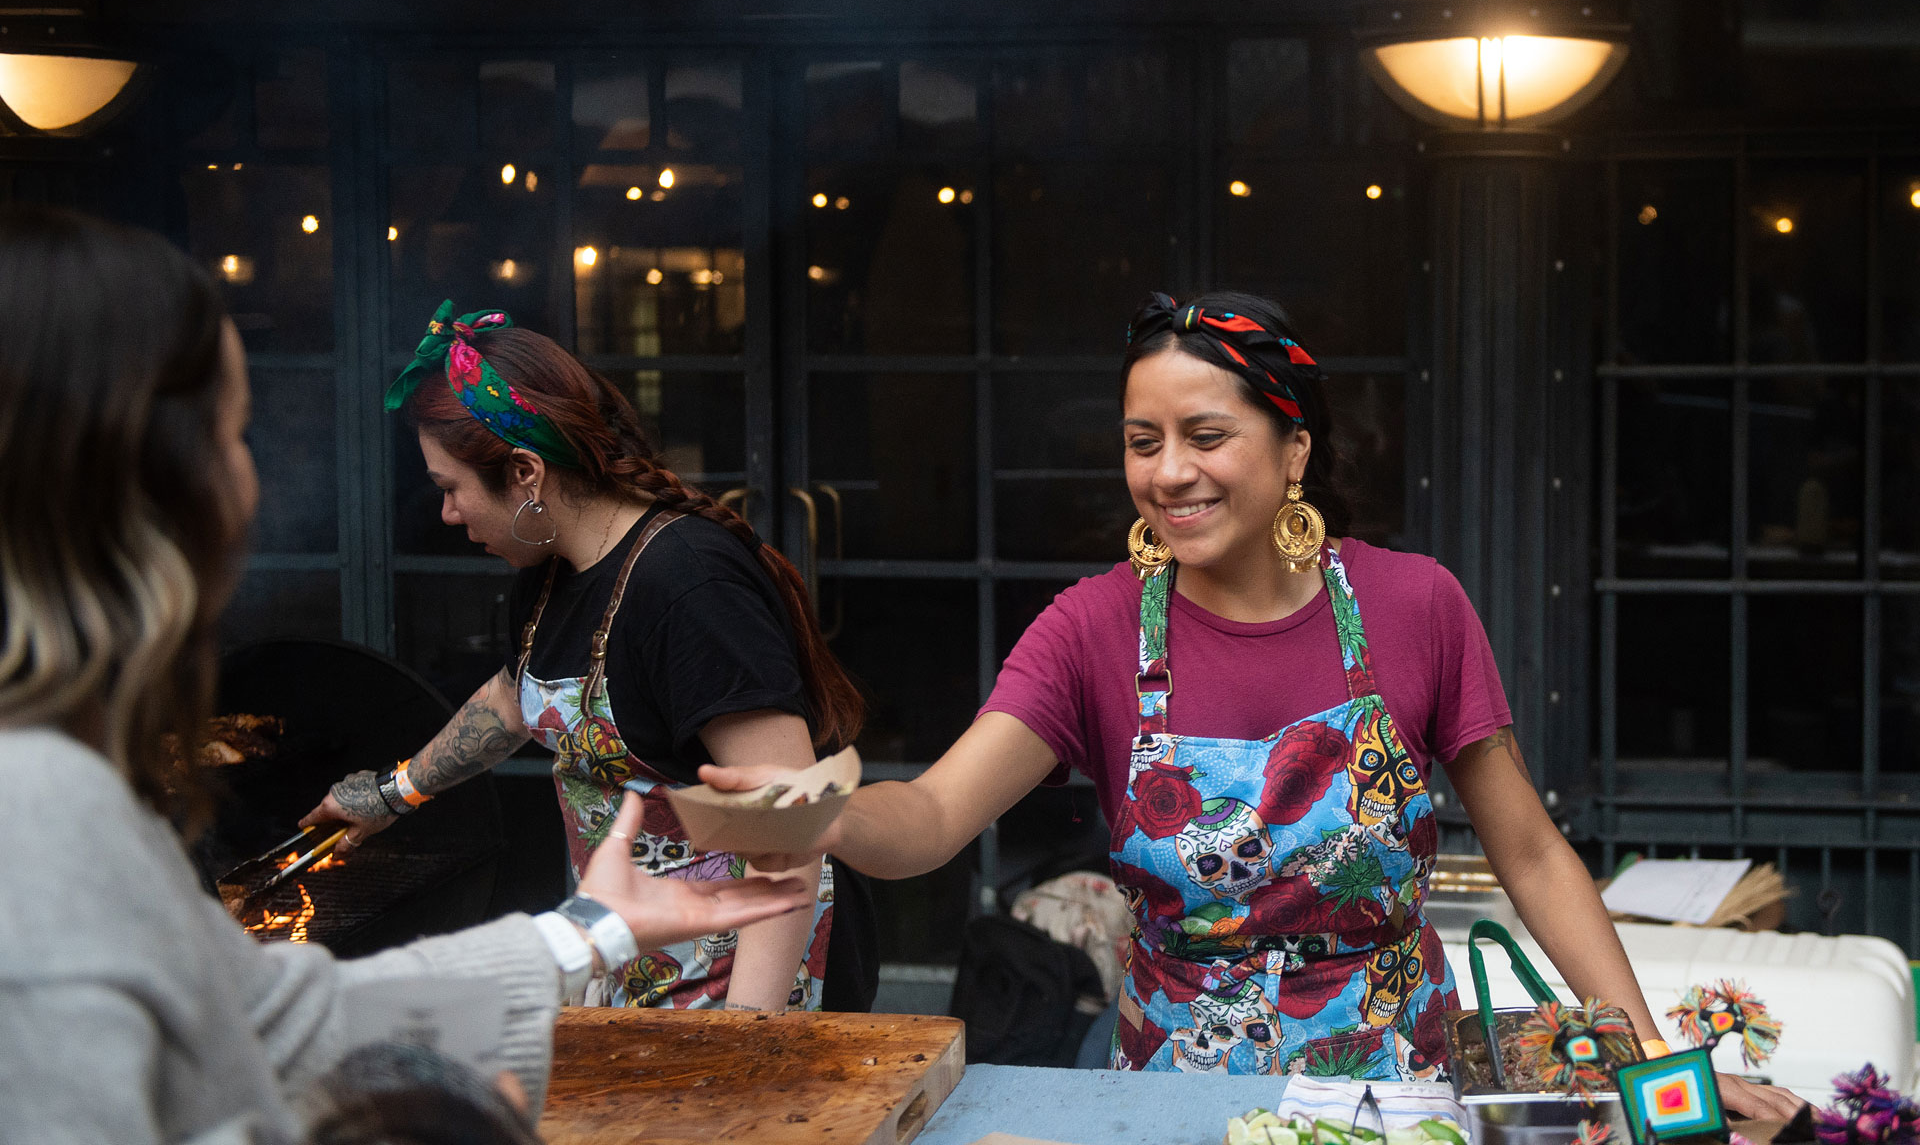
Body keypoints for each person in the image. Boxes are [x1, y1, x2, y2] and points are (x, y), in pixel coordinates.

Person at [707, 290, 1805, 1118]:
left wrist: (1656, 1065)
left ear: (1295, 451)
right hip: (1178, 1099)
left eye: (1207, 435)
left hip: (1400, 1093)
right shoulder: (1089, 629)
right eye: (1144, 442)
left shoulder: (1415, 603)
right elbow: (936, 816)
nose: (1170, 471)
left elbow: (1533, 854)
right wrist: (823, 815)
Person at [0, 207, 809, 1144]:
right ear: (148, 486)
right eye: (236, 436)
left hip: (703, 962)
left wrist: (587, 934)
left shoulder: (683, 576)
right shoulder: (42, 804)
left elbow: (267, 1016)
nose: (252, 482)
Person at [302, 303, 868, 1013]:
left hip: (744, 991)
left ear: (526, 473)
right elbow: (517, 697)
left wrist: (747, 1041)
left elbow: (791, 823)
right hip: (639, 969)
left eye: (451, 489)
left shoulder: (688, 584)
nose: (447, 515)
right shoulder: (551, 574)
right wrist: (393, 795)